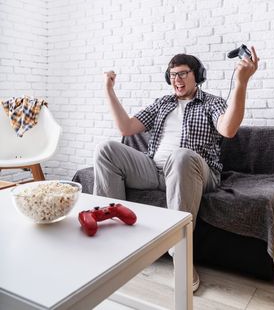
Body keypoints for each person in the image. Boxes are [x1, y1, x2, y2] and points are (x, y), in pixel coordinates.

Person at [94, 47, 259, 292]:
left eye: (182, 74)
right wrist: (108, 91)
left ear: (198, 76)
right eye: (172, 75)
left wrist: (241, 83)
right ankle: (115, 242)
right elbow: (127, 127)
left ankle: (181, 256)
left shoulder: (212, 102)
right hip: (154, 170)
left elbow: (228, 129)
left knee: (180, 156)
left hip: (195, 171)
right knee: (106, 149)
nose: (176, 80)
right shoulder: (162, 103)